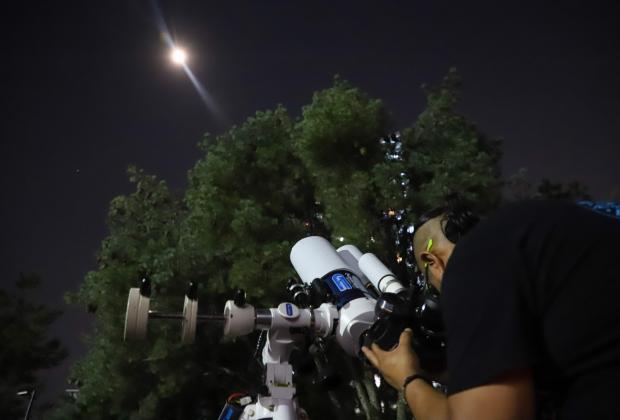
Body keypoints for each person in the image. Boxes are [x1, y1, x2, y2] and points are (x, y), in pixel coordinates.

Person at [362, 199, 620, 419]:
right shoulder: (537, 233)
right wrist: (455, 373)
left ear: (432, 261)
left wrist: (407, 379)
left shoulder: (471, 261)